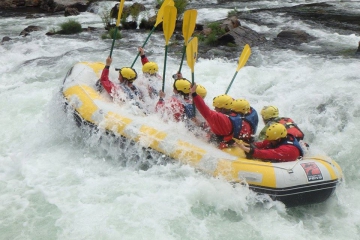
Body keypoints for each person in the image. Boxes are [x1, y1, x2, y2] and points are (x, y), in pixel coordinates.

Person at [190, 83, 241, 149]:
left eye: (216, 107)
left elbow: (204, 109)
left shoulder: (220, 117)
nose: (214, 109)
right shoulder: (235, 114)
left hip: (220, 143)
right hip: (228, 139)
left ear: (222, 109)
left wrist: (194, 94)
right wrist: (201, 124)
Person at [235, 123, 303, 162]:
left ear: (278, 139)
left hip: (288, 160)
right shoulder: (276, 138)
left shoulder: (288, 150)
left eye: (271, 140)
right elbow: (262, 144)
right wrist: (245, 145)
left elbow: (268, 154)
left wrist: (249, 150)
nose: (269, 141)